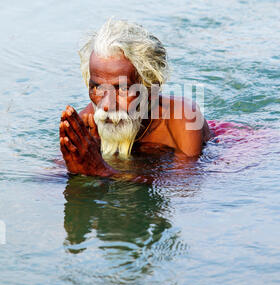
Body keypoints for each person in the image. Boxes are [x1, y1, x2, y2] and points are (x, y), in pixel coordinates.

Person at [59, 18, 212, 179]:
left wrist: (101, 169)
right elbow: (50, 179)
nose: (105, 105)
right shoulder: (86, 124)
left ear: (152, 87)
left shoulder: (184, 118)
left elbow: (185, 187)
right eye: (98, 87)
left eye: (123, 89)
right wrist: (87, 156)